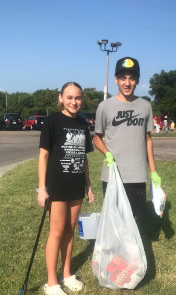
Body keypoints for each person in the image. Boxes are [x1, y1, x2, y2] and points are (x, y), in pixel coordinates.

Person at [37, 82, 94, 295]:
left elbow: (84, 158)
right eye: (69, 97)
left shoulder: (83, 123)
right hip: (58, 186)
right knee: (57, 231)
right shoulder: (52, 121)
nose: (74, 102)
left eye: (78, 98)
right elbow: (43, 155)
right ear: (60, 98)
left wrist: (88, 185)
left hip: (76, 185)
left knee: (70, 229)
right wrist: (42, 189)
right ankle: (51, 282)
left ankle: (67, 273)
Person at [94, 57, 161, 218]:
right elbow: (96, 138)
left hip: (137, 174)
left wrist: (153, 171)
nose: (127, 83)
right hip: (113, 175)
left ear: (137, 80)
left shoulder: (145, 106)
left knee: (134, 220)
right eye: (123, 78)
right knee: (115, 220)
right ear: (116, 80)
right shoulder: (105, 107)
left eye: (131, 78)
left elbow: (148, 139)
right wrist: (107, 153)